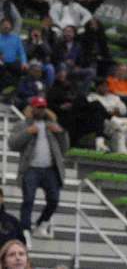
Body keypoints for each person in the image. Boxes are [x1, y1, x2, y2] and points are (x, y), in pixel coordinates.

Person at [9, 96, 67, 238]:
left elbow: (65, 148)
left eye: (42, 107)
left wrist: (60, 132)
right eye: (38, 107)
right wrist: (28, 132)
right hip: (31, 168)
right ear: (32, 108)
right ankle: (25, 231)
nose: (40, 110)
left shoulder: (52, 124)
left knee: (54, 200)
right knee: (28, 200)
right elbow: (13, 144)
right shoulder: (23, 124)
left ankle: (41, 225)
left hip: (51, 169)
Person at [88, 80, 127, 156]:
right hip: (104, 122)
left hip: (117, 119)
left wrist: (115, 111)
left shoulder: (114, 97)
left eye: (107, 86)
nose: (105, 88)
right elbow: (98, 111)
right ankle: (121, 151)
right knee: (120, 126)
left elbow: (123, 109)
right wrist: (111, 111)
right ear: (97, 87)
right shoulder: (92, 97)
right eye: (103, 86)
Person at [0, 18, 27, 91]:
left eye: (8, 25)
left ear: (11, 26)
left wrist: (24, 62)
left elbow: (22, 52)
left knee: (24, 70)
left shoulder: (16, 38)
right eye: (4, 25)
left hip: (13, 62)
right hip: (2, 62)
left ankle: (17, 90)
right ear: (1, 26)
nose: (6, 27)